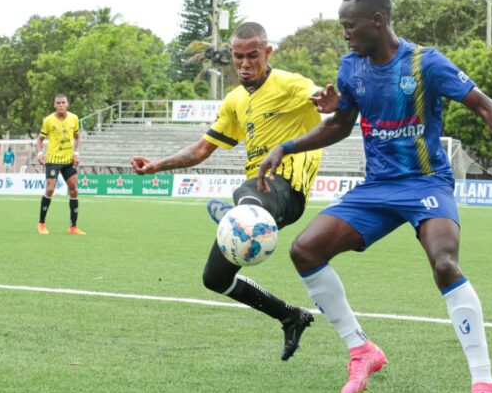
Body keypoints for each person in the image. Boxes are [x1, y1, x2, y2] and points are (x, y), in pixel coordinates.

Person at [257, 0, 492, 393]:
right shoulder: (351, 67)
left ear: (377, 21)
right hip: (377, 188)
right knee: (305, 250)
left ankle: (484, 387)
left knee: (445, 264)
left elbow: (482, 105)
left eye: (349, 25)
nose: (345, 34)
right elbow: (340, 124)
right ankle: (361, 349)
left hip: (425, 183)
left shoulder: (425, 63)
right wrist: (289, 145)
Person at [130, 22, 337, 361]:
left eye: (252, 56)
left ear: (267, 53)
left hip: (288, 188)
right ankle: (290, 315)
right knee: (215, 278)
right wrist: (155, 166)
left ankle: (235, 215)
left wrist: (330, 103)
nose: (245, 64)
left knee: (248, 191)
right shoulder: (234, 101)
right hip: (257, 194)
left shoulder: (289, 84)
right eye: (238, 57)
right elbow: (200, 150)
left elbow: (323, 100)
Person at [35, 94, 86, 235]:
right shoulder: (48, 120)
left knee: (74, 189)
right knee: (50, 189)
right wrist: (39, 154)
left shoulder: (74, 118)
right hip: (53, 160)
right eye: (58, 103)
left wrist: (77, 153)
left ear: (67, 104)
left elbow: (77, 138)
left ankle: (73, 227)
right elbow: (40, 140)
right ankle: (41, 224)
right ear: (54, 105)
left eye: (63, 102)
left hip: (68, 160)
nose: (61, 105)